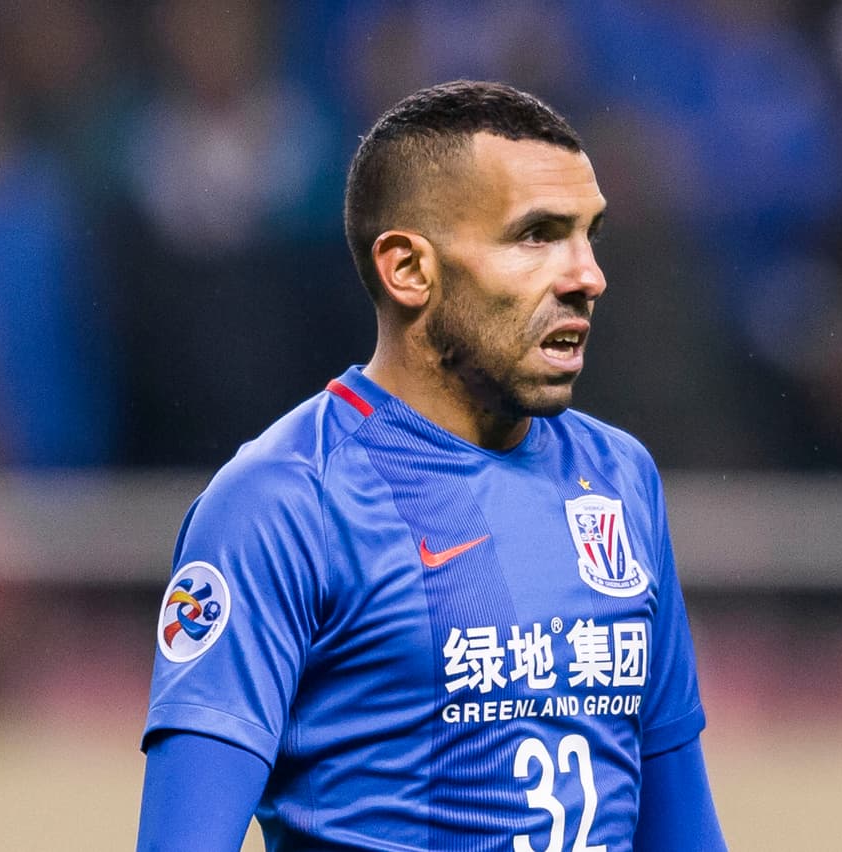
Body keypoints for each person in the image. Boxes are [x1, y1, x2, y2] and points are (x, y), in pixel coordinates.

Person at [137, 79, 727, 851]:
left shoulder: (619, 479)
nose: (588, 274)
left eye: (590, 234)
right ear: (408, 269)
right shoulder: (281, 504)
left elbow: (681, 829)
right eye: (538, 235)